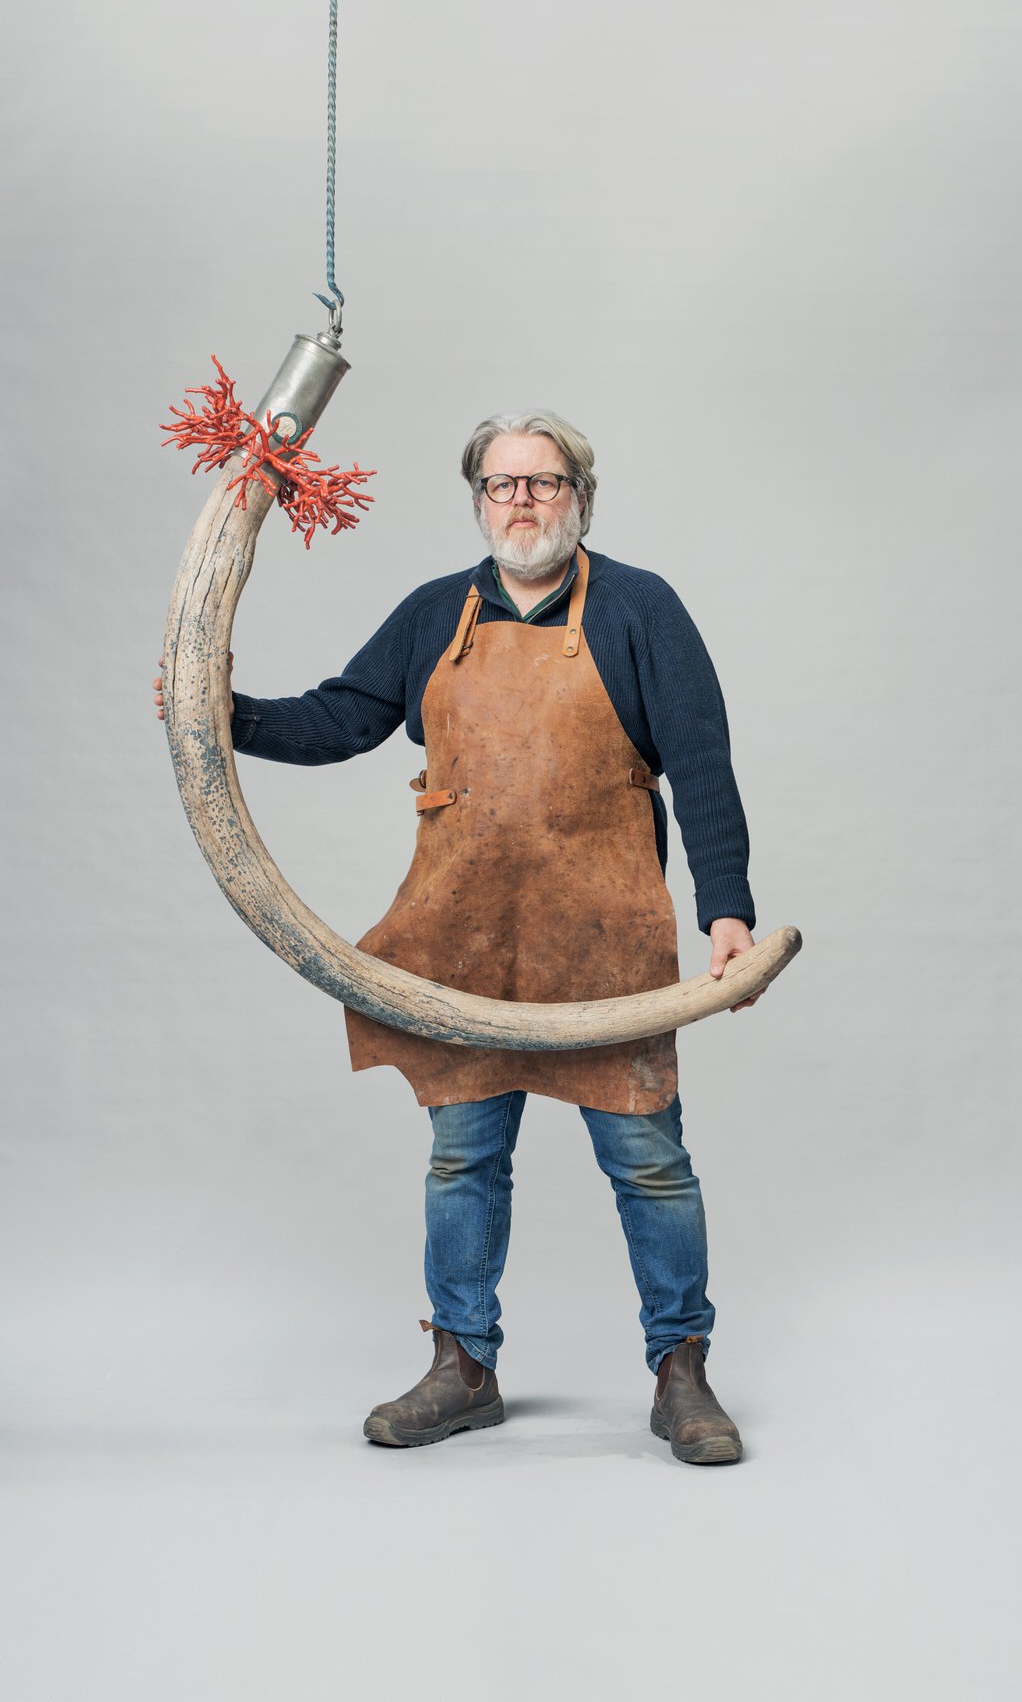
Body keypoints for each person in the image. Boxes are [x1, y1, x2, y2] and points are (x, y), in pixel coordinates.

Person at [153, 411, 764, 1464]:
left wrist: (727, 915)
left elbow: (700, 764)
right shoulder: (437, 612)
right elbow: (340, 718)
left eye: (542, 482)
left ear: (581, 495)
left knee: (647, 1161)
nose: (520, 502)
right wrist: (220, 710)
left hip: (601, 947)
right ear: (477, 499)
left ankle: (681, 1373)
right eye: (500, 484)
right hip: (460, 943)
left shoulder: (640, 608)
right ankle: (461, 1368)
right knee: (462, 1162)